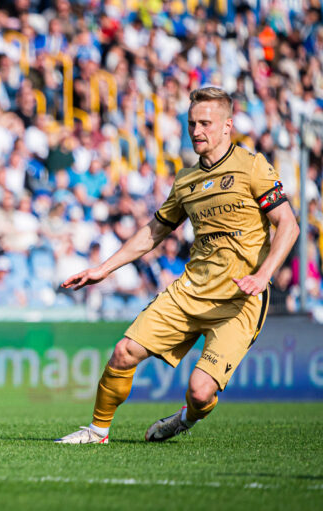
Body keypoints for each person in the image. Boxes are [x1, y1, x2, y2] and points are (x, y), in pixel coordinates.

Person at [55, 87, 300, 444]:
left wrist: (263, 276)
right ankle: (97, 432)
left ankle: (185, 418)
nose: (196, 131)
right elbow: (154, 231)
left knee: (200, 393)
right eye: (191, 123)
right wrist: (103, 269)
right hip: (190, 291)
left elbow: (288, 224)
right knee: (123, 352)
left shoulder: (252, 166)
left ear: (227, 126)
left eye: (205, 123)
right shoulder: (186, 180)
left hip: (239, 300)